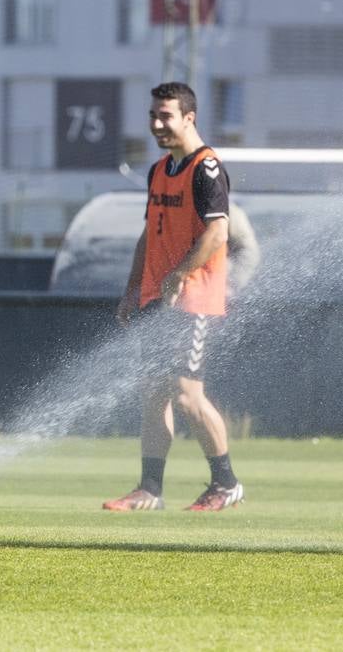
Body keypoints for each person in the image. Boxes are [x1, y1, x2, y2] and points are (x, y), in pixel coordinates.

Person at [105, 82, 243, 513]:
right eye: (152, 115)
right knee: (154, 395)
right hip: (155, 298)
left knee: (186, 395)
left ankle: (226, 483)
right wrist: (133, 288)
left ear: (189, 117)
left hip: (193, 298)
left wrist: (181, 273)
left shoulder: (207, 168)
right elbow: (150, 232)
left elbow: (218, 232)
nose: (157, 123)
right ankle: (150, 489)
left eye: (166, 116)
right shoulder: (159, 169)